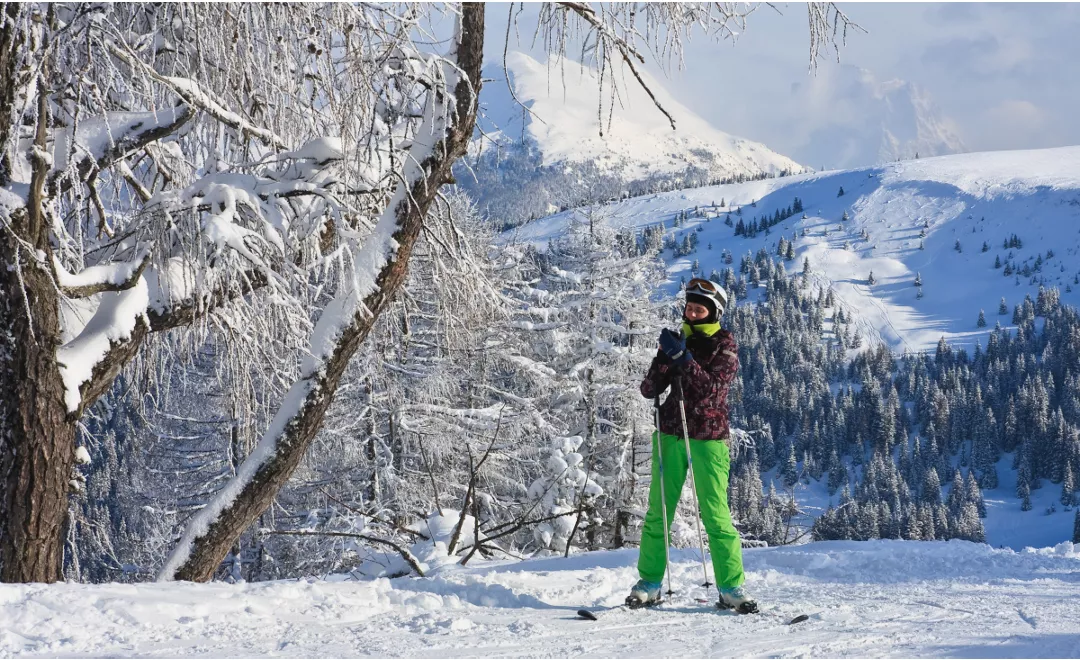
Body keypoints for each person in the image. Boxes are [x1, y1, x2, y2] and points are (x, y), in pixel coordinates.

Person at [627, 277, 757, 613]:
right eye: (689, 308)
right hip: (671, 433)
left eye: (700, 309)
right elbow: (649, 389)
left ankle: (731, 587)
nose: (693, 314)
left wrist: (683, 359)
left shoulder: (725, 346)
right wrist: (663, 358)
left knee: (716, 515)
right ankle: (649, 583)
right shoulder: (677, 341)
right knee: (659, 512)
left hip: (709, 439)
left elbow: (711, 390)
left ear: (714, 313)